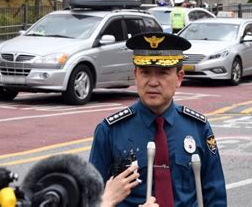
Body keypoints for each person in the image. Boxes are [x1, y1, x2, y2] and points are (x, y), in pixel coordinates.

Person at [89, 32, 227, 206]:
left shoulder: (198, 127)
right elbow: (91, 200)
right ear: (135, 75)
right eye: (145, 72)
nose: (153, 82)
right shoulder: (110, 131)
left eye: (162, 73)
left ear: (179, 78)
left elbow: (215, 195)